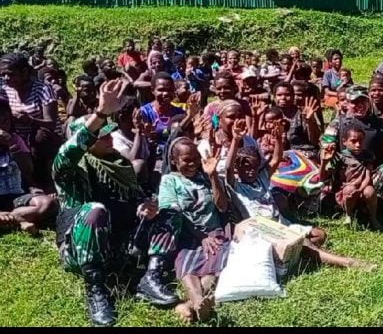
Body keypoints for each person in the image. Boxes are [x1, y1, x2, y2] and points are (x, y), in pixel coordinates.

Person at [53, 80, 182, 326]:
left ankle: (151, 277)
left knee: (170, 214)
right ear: (87, 141)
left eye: (109, 132)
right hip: (81, 251)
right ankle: (97, 290)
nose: (109, 137)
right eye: (101, 135)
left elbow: (134, 200)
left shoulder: (120, 164)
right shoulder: (69, 170)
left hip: (119, 244)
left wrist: (145, 207)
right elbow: (70, 150)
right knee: (94, 210)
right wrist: (101, 113)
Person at [224, 117, 377, 272]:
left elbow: (276, 159)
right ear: (237, 169)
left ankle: (294, 255)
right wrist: (236, 140)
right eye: (246, 168)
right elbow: (228, 168)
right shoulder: (236, 186)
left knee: (320, 235)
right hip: (264, 231)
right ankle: (347, 262)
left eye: (254, 167)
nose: (251, 171)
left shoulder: (261, 178)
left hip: (282, 225)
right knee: (305, 244)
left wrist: (279, 139)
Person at [323, 86, 383, 235]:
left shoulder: (380, 123)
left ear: (368, 102)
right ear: (348, 103)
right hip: (348, 174)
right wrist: (329, 147)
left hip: (375, 173)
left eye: (363, 101)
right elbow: (326, 140)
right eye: (355, 102)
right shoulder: (338, 122)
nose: (359, 106)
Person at [160, 137, 228, 323]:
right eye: (186, 160)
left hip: (214, 233)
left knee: (214, 270)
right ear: (174, 160)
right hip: (186, 235)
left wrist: (213, 176)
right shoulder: (169, 180)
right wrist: (201, 236)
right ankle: (198, 301)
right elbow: (173, 213)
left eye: (196, 159)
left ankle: (192, 305)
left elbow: (222, 207)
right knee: (187, 268)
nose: (192, 164)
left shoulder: (205, 177)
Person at [0, 53, 60, 191]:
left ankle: (48, 181)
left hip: (43, 141)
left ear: (25, 72)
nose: (6, 78)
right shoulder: (6, 90)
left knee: (41, 136)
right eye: (3, 75)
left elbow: (51, 123)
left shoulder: (43, 89)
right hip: (17, 138)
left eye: (11, 74)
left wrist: (29, 120)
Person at [0, 98, 57, 235]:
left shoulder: (15, 140)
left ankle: (11, 218)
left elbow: (27, 170)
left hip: (14, 196)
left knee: (47, 203)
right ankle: (18, 219)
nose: (2, 126)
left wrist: (11, 145)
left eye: (6, 121)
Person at [320, 124, 383, 230]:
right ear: (344, 142)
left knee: (370, 191)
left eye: (360, 141)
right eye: (353, 141)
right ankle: (348, 215)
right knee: (350, 189)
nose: (358, 145)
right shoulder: (340, 157)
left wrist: (360, 189)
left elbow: (368, 176)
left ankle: (373, 218)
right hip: (346, 188)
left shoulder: (367, 156)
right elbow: (323, 178)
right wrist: (324, 162)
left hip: (363, 186)